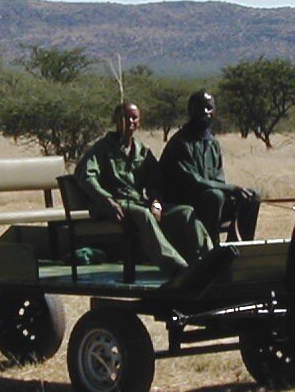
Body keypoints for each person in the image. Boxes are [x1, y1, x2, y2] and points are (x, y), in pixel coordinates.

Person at [75, 102, 212, 273]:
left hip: (138, 203)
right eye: (125, 117)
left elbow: (155, 182)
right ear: (115, 120)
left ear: (139, 122)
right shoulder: (101, 149)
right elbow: (87, 177)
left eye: (134, 118)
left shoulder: (142, 152)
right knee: (144, 215)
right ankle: (176, 267)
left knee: (185, 212)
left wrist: (156, 202)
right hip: (113, 204)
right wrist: (107, 200)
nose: (130, 122)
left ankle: (209, 260)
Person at [160, 90, 260, 242]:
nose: (206, 112)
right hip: (184, 201)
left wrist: (236, 193)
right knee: (215, 196)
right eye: (201, 107)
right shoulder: (180, 143)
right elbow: (194, 182)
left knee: (252, 197)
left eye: (209, 108)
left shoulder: (212, 143)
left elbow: (218, 180)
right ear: (191, 110)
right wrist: (232, 189)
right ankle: (210, 250)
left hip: (211, 199)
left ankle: (237, 248)